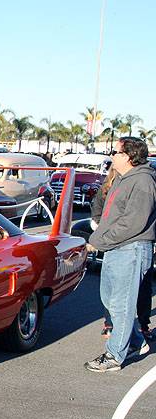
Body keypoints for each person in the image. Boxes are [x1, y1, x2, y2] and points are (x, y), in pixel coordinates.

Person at [85, 137, 156, 372]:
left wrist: (98, 242)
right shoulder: (123, 179)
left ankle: (115, 355)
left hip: (132, 249)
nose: (111, 155)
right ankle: (136, 341)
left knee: (121, 304)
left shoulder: (143, 181)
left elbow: (132, 223)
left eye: (115, 152)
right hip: (116, 248)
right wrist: (99, 239)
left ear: (127, 157)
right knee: (110, 300)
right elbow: (109, 216)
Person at [91, 167, 154, 341]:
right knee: (112, 292)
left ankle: (140, 328)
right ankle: (112, 325)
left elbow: (137, 219)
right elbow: (98, 210)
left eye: (117, 153)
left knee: (140, 288)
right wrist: (100, 231)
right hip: (111, 242)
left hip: (133, 243)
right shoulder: (109, 185)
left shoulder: (142, 182)